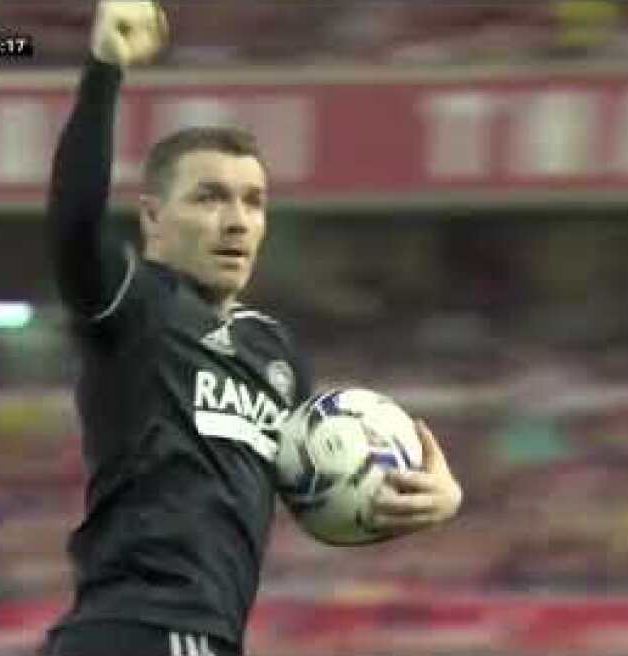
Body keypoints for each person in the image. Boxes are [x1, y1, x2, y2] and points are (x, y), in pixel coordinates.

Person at [43, 3, 464, 655]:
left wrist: (435, 498)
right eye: (209, 198)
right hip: (142, 630)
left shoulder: (276, 353)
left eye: (253, 201)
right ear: (153, 219)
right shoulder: (134, 306)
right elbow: (73, 225)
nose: (236, 221)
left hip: (202, 638)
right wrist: (104, 69)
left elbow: (322, 489)